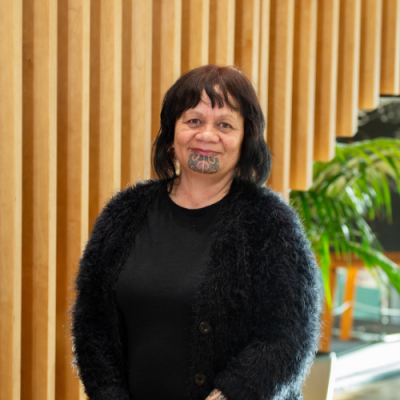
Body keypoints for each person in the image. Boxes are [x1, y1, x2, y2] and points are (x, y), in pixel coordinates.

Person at [71, 64, 321, 400]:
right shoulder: (124, 212)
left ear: (246, 138)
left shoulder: (271, 223)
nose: (207, 135)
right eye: (193, 121)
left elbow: (288, 338)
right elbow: (92, 324)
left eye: (224, 125)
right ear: (171, 133)